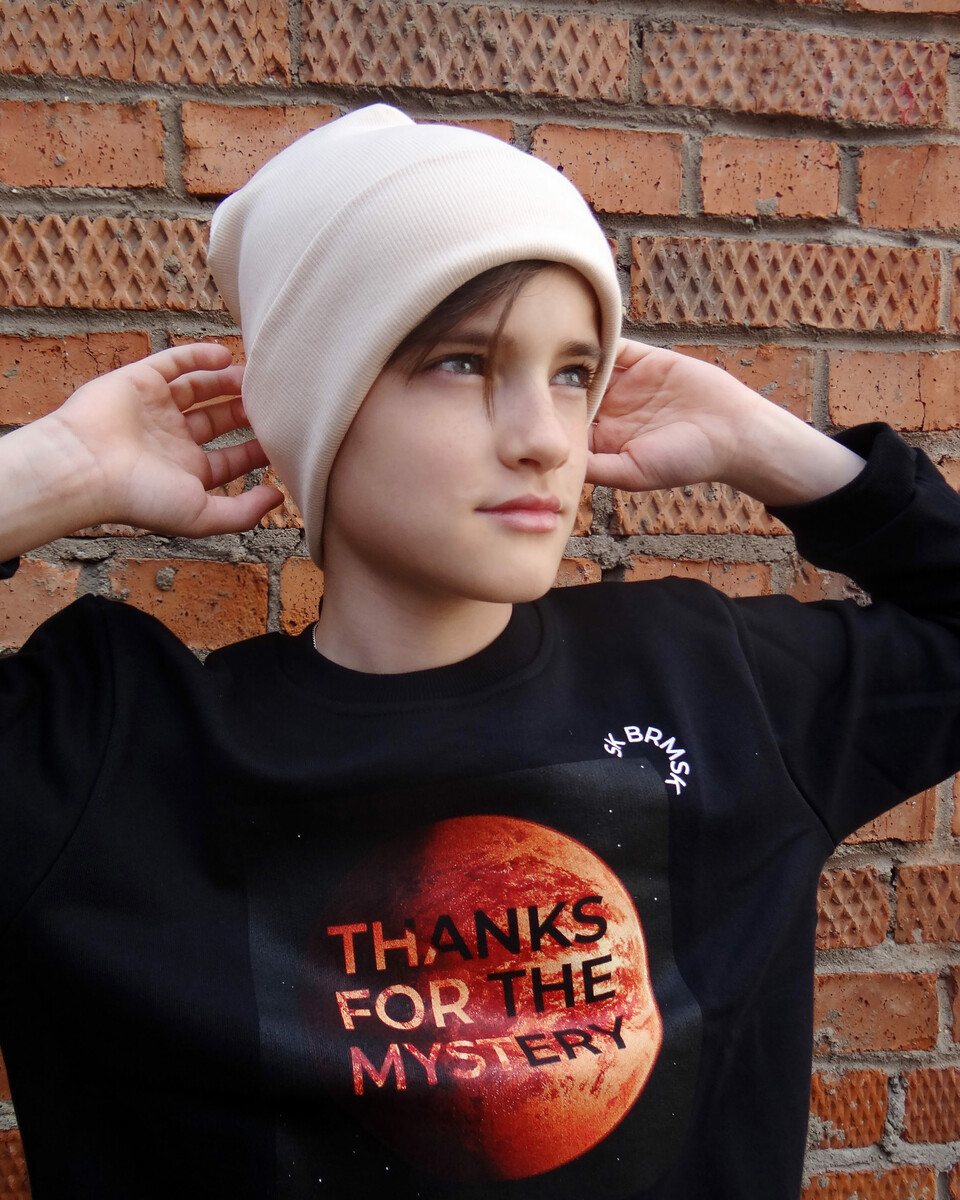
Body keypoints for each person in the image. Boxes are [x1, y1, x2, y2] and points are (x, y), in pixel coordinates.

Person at [0, 103, 958, 1200]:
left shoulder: (710, 685)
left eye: (574, 371)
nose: (545, 437)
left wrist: (767, 446)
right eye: (464, 363)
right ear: (318, 404)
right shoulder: (111, 761)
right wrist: (51, 473)